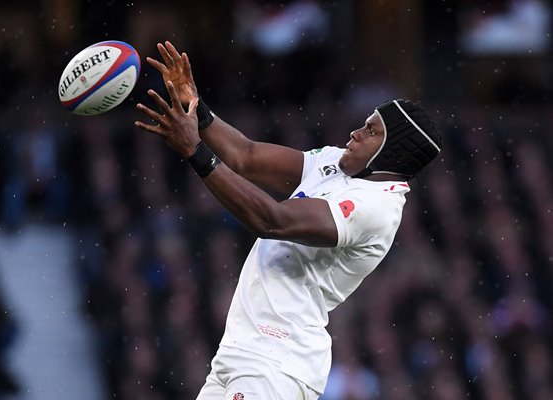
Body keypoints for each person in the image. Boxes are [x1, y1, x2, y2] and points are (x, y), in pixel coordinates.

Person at [134, 41, 442, 400]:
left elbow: (273, 220)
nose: (357, 132)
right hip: (242, 353)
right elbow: (245, 156)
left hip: (276, 359)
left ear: (392, 151)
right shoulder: (334, 162)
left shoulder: (376, 207)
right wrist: (194, 107)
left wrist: (194, 151)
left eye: (372, 130)